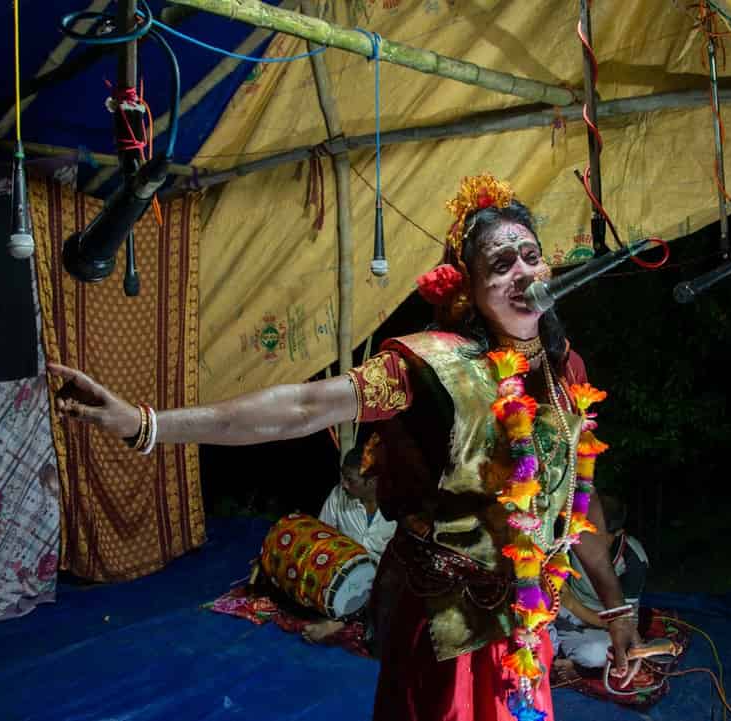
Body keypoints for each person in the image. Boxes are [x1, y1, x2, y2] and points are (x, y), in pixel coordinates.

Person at [47, 173, 639, 721]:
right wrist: (147, 425)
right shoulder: (432, 367)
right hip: (447, 627)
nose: (521, 273)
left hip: (525, 624)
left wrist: (614, 609)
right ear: (468, 288)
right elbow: (300, 408)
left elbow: (571, 505)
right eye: (500, 263)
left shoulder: (566, 372)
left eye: (530, 258)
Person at [302, 439, 397, 643]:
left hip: (383, 581)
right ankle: (347, 618)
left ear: (371, 481)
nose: (343, 485)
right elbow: (321, 536)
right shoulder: (339, 496)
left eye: (350, 480)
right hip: (341, 572)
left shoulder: (399, 505)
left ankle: (338, 622)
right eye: (343, 478)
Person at [549, 500, 648, 684]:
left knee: (601, 651)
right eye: (587, 531)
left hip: (600, 626)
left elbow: (626, 624)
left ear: (618, 533)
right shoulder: (573, 537)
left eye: (598, 535)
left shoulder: (633, 559)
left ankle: (563, 657)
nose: (590, 541)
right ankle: (554, 652)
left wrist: (573, 605)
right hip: (564, 614)